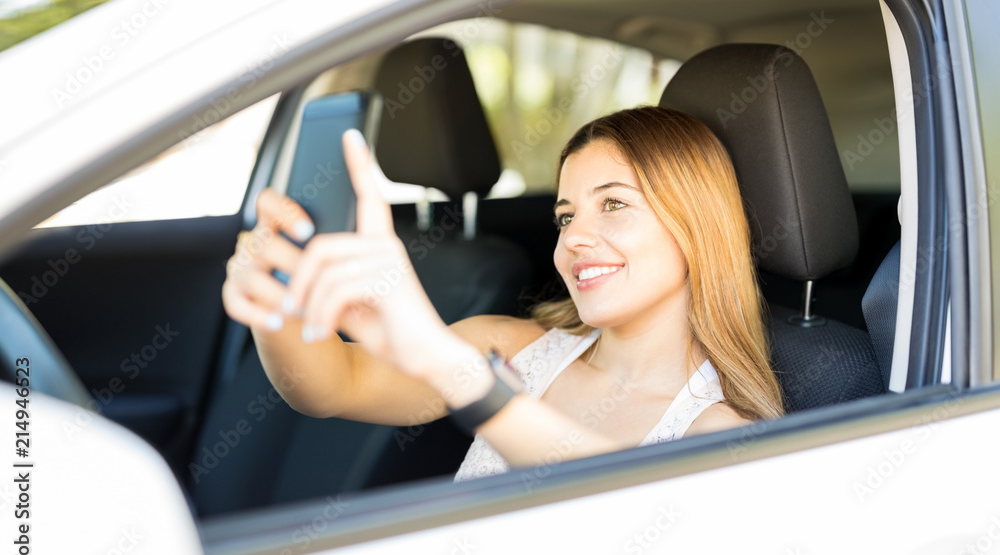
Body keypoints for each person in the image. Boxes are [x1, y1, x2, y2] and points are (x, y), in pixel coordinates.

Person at [221, 105, 784, 482]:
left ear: (697, 224)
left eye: (613, 204)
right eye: (566, 217)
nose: (576, 238)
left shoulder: (720, 435)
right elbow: (330, 388)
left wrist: (447, 365)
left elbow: (622, 503)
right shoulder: (509, 348)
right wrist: (276, 297)